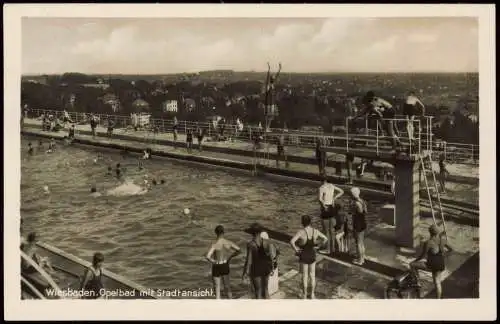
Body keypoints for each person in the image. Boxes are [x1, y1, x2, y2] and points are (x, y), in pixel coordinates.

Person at [290, 215, 328, 299]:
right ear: (310, 222)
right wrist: (319, 246)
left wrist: (296, 250)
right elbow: (325, 238)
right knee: (312, 276)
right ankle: (312, 294)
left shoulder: (301, 232)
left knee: (305, 276)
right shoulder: (315, 231)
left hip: (304, 255)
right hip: (312, 254)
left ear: (302, 222)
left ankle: (304, 295)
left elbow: (292, 242)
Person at [410, 224, 453, 299]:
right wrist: (444, 255)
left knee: (412, 265)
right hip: (441, 264)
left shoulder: (428, 242)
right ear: (437, 232)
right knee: (437, 282)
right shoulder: (443, 240)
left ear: (430, 233)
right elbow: (451, 249)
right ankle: (438, 299)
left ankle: (418, 283)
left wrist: (415, 260)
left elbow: (423, 255)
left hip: (431, 264)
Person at [205, 225, 241, 299]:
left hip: (216, 266)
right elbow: (239, 250)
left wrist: (213, 261)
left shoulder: (215, 244)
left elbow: (207, 256)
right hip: (225, 265)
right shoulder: (227, 242)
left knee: (217, 289)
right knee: (227, 287)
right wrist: (230, 257)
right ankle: (231, 305)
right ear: (223, 232)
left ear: (216, 233)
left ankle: (218, 307)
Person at [242, 223, 274, 299]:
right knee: (266, 290)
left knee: (258, 291)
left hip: (256, 269)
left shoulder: (251, 244)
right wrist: (272, 267)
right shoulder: (267, 242)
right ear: (261, 232)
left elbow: (249, 261)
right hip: (266, 267)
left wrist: (245, 273)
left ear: (252, 233)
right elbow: (271, 256)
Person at [318, 176, 344, 254]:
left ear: (323, 181)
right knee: (332, 230)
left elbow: (320, 199)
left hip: (325, 208)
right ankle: (332, 249)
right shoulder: (332, 186)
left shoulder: (321, 187)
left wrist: (323, 205)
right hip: (332, 208)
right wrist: (334, 198)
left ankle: (328, 249)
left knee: (326, 231)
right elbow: (341, 191)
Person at [349, 187, 368, 265]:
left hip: (358, 223)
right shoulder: (362, 201)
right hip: (363, 222)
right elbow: (365, 211)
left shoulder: (355, 203)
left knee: (358, 243)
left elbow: (352, 212)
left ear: (353, 194)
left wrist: (352, 207)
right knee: (361, 242)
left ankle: (360, 261)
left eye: (350, 194)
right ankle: (362, 258)